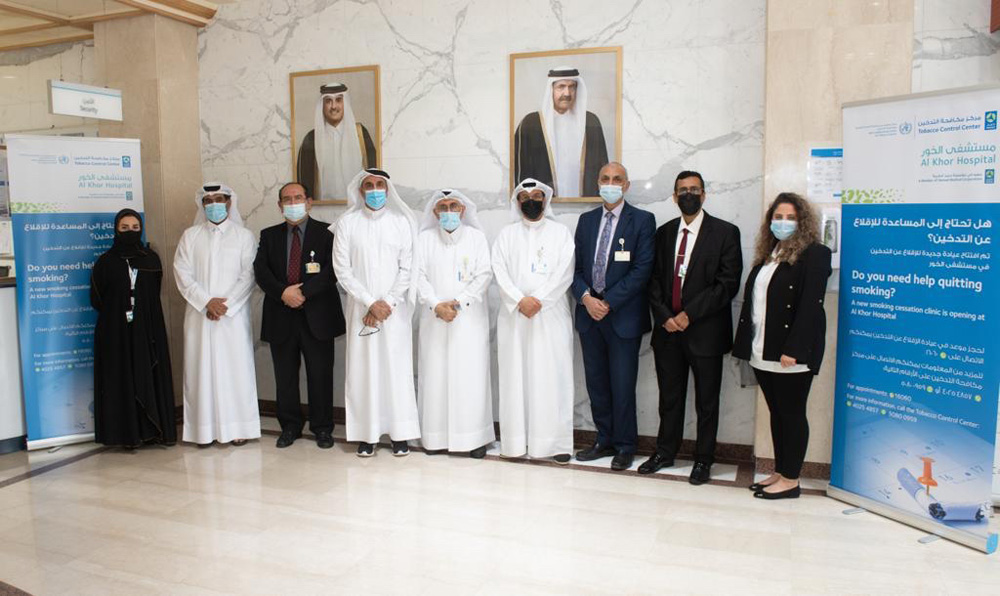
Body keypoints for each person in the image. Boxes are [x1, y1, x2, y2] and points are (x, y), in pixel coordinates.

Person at [641, 171, 742, 484]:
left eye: (694, 189)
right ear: (674, 197)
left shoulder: (726, 232)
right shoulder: (663, 233)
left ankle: (703, 460)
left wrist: (689, 314)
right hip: (668, 332)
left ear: (704, 195)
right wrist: (665, 316)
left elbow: (727, 284)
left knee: (707, 402)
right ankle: (664, 452)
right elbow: (653, 280)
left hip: (705, 333)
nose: (688, 194)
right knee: (669, 399)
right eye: (682, 190)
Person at [733, 193, 832, 500]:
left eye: (790, 218)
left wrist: (795, 348)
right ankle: (781, 470)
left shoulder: (815, 254)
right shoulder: (769, 254)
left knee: (792, 413)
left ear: (803, 222)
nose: (783, 223)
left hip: (791, 353)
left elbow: (810, 306)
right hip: (764, 348)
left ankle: (791, 479)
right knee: (777, 413)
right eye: (778, 217)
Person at [571, 163, 656, 470]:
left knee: (622, 385)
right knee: (596, 384)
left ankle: (625, 445)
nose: (610, 183)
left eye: (616, 179)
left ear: (627, 185)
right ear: (598, 183)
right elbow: (576, 269)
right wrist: (586, 298)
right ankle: (603, 440)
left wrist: (607, 302)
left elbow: (642, 270)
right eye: (605, 178)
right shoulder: (586, 221)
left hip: (622, 317)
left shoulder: (643, 221)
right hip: (588, 316)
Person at [332, 168, 420, 457]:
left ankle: (400, 435)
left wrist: (388, 303)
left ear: (387, 189)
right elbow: (342, 269)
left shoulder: (401, 222)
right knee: (363, 370)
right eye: (368, 185)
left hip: (394, 311)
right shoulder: (347, 223)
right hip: (361, 308)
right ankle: (366, 435)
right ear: (360, 191)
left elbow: (408, 269)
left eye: (379, 185)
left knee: (395, 371)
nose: (374, 190)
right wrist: (370, 302)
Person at [254, 182, 346, 449]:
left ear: (309, 202)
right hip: (280, 315)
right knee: (285, 377)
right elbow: (261, 272)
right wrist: (283, 293)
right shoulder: (268, 235)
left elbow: (332, 271)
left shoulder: (327, 234)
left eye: (298, 198)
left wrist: (302, 292)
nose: (292, 203)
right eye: (287, 199)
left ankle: (322, 428)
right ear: (280, 205)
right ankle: (290, 426)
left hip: (318, 316)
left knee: (320, 375)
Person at [492, 178, 575, 463]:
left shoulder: (561, 233)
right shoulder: (506, 235)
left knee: (553, 378)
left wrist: (538, 299)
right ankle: (515, 443)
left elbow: (566, 271)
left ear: (546, 200)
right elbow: (499, 270)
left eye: (537, 195)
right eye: (524, 196)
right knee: (516, 379)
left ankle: (556, 445)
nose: (531, 200)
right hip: (515, 318)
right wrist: (519, 300)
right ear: (517, 202)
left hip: (549, 316)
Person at [173, 183, 261, 446]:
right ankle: (203, 431)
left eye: (218, 199)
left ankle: (237, 429)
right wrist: (206, 302)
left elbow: (249, 275)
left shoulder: (244, 236)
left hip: (232, 317)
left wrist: (226, 305)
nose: (213, 205)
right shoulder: (190, 236)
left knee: (234, 371)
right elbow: (182, 273)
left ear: (229, 203)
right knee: (200, 371)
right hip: (200, 316)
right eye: (208, 201)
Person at [415, 189, 495, 458]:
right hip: (433, 318)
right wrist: (435, 304)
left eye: (454, 206)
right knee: (435, 376)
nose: (448, 211)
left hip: (468, 320)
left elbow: (484, 275)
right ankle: (435, 438)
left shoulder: (476, 238)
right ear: (435, 212)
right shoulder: (423, 239)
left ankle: (474, 439)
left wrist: (459, 301)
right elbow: (418, 276)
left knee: (469, 377)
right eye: (443, 207)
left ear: (463, 210)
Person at [90, 209, 175, 447]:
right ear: (116, 229)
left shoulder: (151, 259)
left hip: (147, 329)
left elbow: (154, 291)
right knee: (121, 379)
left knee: (148, 373)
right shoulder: (105, 262)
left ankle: (153, 431)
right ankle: (125, 435)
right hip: (114, 332)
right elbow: (96, 298)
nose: (130, 232)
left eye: (135, 228)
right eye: (125, 228)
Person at [513, 67, 609, 198]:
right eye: (561, 87)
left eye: (572, 87)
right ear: (551, 89)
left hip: (587, 206)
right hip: (541, 208)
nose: (567, 93)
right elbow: (520, 171)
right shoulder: (530, 123)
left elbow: (603, 166)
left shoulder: (591, 121)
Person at [297, 82, 378, 201]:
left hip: (357, 208)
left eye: (339, 100)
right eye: (328, 101)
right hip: (321, 209)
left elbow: (374, 172)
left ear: (345, 103)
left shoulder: (360, 134)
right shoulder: (311, 138)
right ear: (322, 105)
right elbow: (304, 181)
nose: (334, 106)